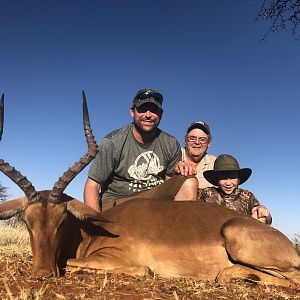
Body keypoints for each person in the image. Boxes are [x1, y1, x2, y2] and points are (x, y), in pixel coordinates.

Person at [84, 88, 198, 212]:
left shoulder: (170, 143)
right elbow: (92, 186)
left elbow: (170, 183)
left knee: (189, 182)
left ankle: (179, 229)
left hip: (152, 201)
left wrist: (182, 170)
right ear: (132, 112)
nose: (148, 115)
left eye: (154, 110)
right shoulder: (112, 142)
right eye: (142, 109)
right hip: (117, 203)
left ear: (161, 115)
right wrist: (95, 224)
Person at [199, 154, 272, 224]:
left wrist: (262, 209)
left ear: (239, 180)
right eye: (223, 178)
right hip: (213, 234)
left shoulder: (246, 196)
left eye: (233, 177)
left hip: (241, 234)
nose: (228, 183)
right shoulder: (206, 193)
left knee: (259, 215)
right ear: (216, 180)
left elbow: (268, 219)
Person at [182, 121, 216, 189]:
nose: (197, 142)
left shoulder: (216, 163)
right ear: (185, 140)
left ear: (209, 143)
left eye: (202, 139)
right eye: (192, 138)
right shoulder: (172, 156)